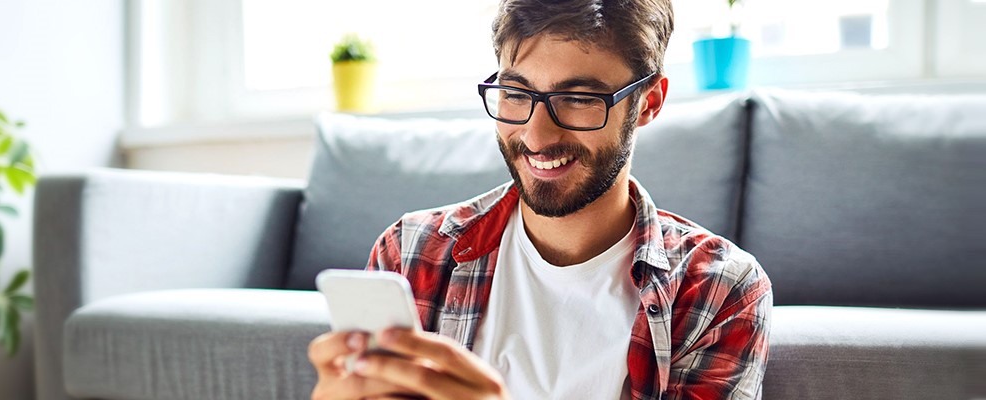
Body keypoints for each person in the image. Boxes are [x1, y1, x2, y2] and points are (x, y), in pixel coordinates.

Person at [308, 0, 773, 398]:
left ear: (648, 103)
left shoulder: (720, 290)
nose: (536, 134)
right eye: (515, 93)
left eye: (577, 98)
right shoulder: (411, 253)